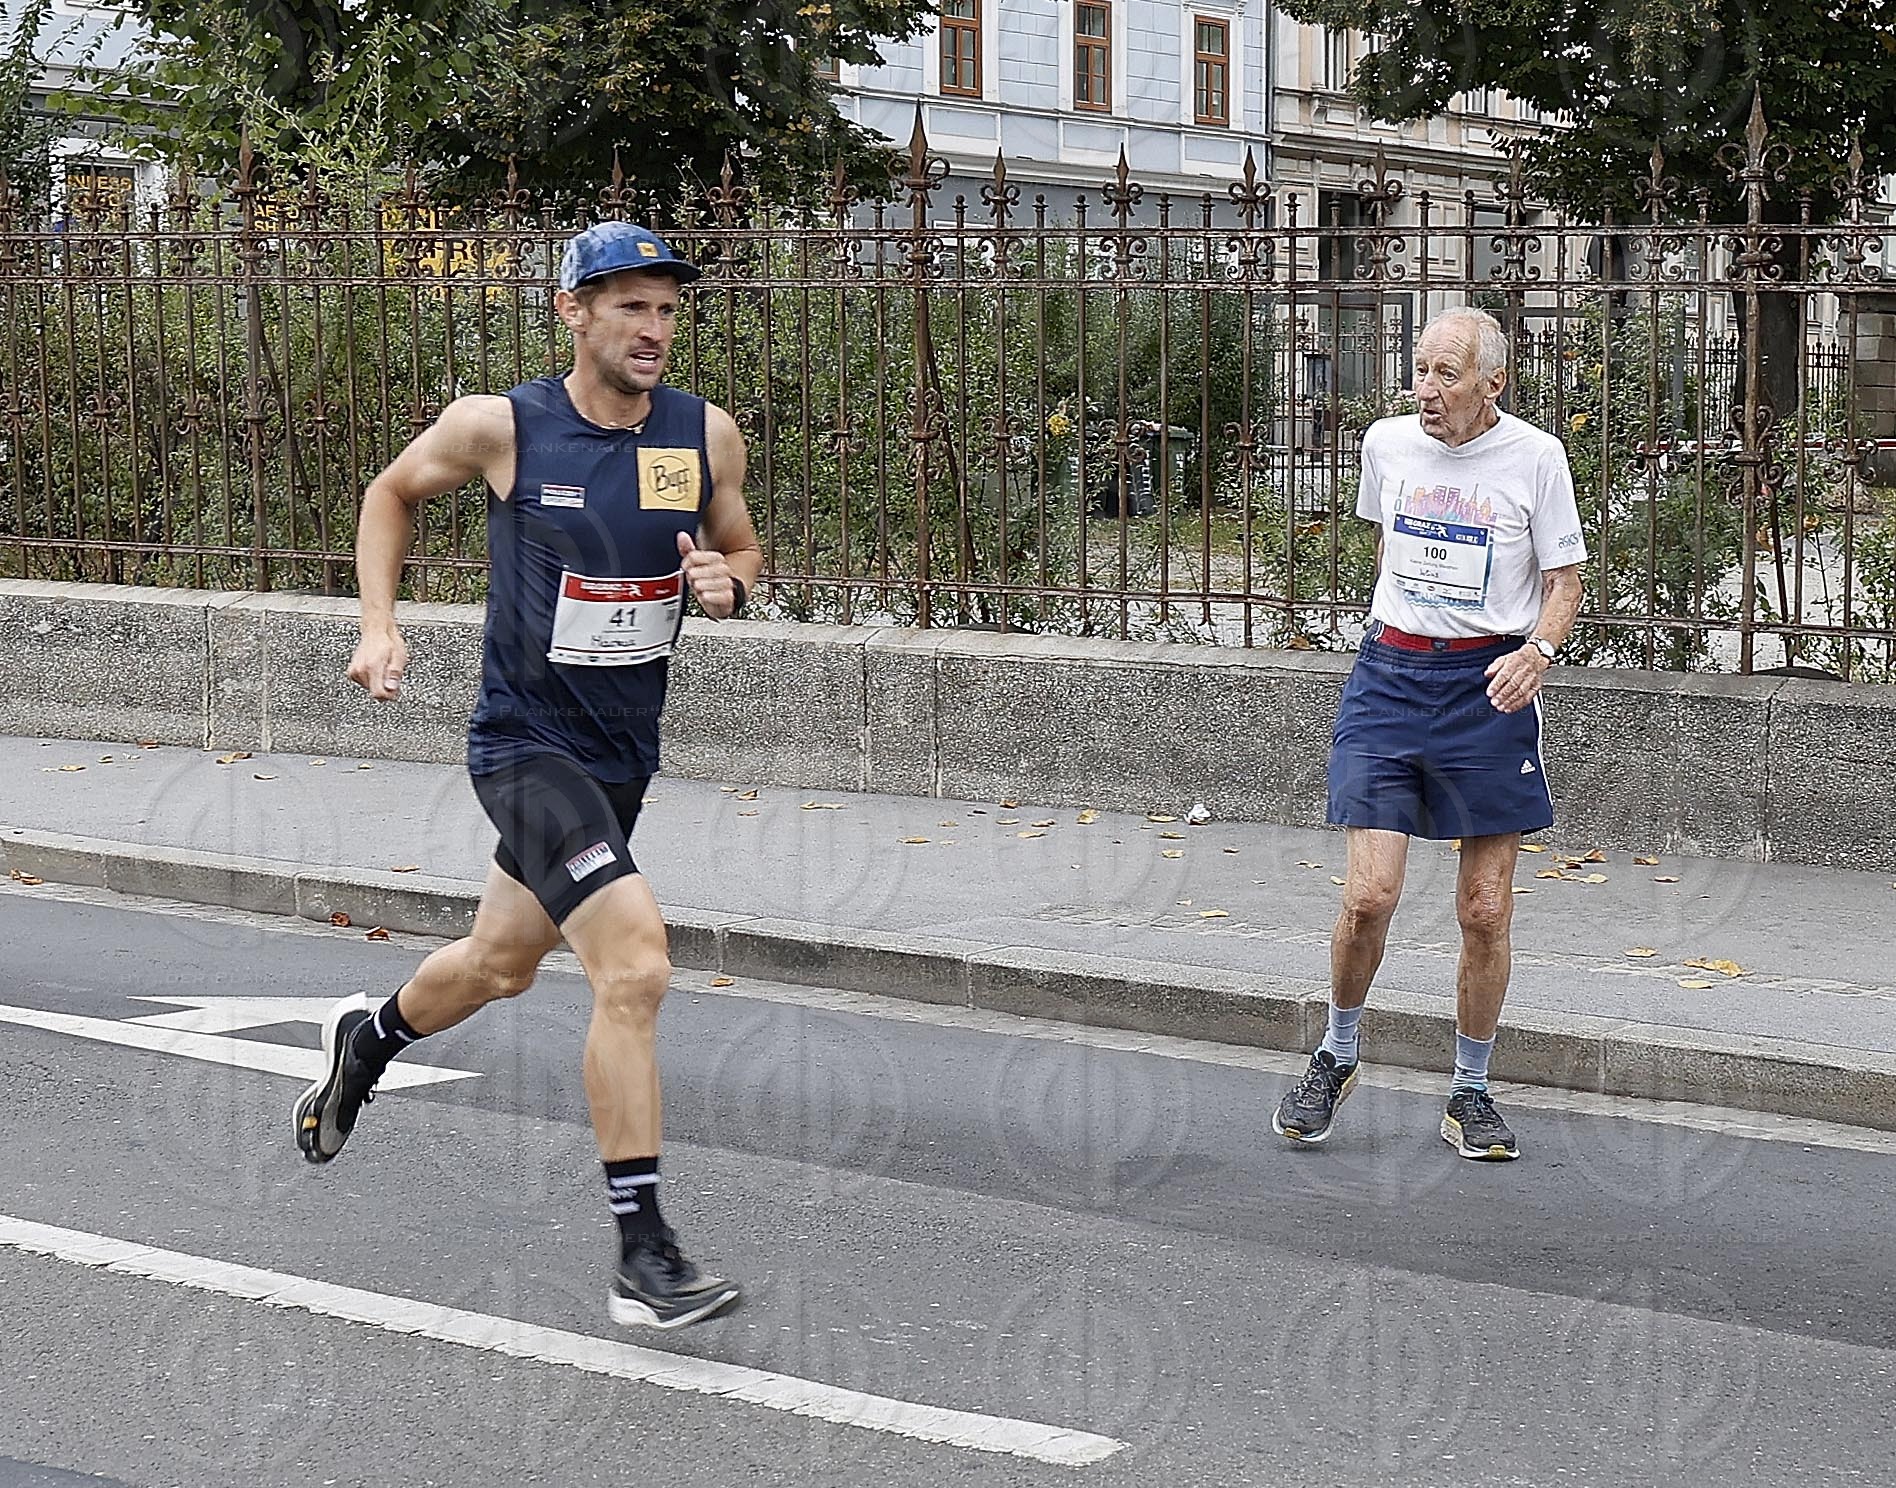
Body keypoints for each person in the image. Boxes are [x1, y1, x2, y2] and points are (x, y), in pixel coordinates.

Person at [293, 221, 762, 1328]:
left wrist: (729, 584)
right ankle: (642, 1253)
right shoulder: (503, 427)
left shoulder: (704, 436)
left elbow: (743, 549)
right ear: (574, 313)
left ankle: (367, 1043)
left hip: (620, 758)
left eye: (666, 309)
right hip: (523, 747)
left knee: (501, 964)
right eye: (630, 306)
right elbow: (389, 493)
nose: (654, 329)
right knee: (635, 967)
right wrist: (378, 626)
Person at [1271, 306, 1585, 1162]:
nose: (1427, 392)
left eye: (1447, 375)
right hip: (1391, 681)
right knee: (1370, 895)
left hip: (1490, 687)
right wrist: (1395, 631)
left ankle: (1471, 1090)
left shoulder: (1535, 457)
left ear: (1494, 383)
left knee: (1484, 910)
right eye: (1419, 371)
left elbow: (1565, 578)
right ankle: (1335, 1054)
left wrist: (1539, 652)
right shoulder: (1386, 444)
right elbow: (1390, 549)